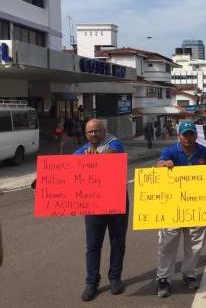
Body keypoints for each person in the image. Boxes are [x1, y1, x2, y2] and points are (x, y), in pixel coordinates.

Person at [155, 121, 206, 298]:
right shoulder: (171, 151)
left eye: (191, 134)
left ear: (196, 135)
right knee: (167, 243)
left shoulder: (205, 153)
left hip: (197, 206)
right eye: (185, 134)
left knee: (195, 243)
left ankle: (189, 274)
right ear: (179, 136)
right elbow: (158, 164)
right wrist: (163, 164)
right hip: (172, 206)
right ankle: (164, 278)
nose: (188, 138)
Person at [74, 119, 129, 302]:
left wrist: (96, 158)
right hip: (94, 204)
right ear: (85, 134)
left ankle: (115, 278)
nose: (93, 135)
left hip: (116, 201)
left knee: (117, 242)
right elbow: (69, 164)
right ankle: (91, 283)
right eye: (90, 132)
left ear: (104, 131)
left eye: (97, 131)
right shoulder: (84, 149)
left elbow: (115, 155)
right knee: (93, 246)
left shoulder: (114, 143)